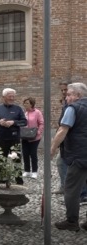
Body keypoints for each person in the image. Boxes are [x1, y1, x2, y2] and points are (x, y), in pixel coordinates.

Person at [51, 82, 87, 232]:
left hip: (79, 156)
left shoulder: (73, 108)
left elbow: (62, 130)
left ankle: (72, 221)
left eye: (68, 94)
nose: (66, 98)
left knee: (71, 189)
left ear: (77, 96)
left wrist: (52, 148)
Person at [0, 88, 27, 185]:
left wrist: (13, 122)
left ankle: (19, 180)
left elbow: (24, 122)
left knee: (17, 159)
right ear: (4, 97)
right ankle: (1, 180)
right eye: (10, 96)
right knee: (1, 159)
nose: (12, 98)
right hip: (2, 137)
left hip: (15, 138)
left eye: (13, 96)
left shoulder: (18, 109)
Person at [21, 97, 44, 179]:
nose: (25, 105)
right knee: (25, 153)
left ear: (31, 104)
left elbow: (41, 123)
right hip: (24, 136)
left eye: (27, 103)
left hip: (35, 137)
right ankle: (27, 171)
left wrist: (38, 132)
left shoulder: (37, 112)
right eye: (25, 103)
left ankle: (34, 171)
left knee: (33, 154)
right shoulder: (23, 113)